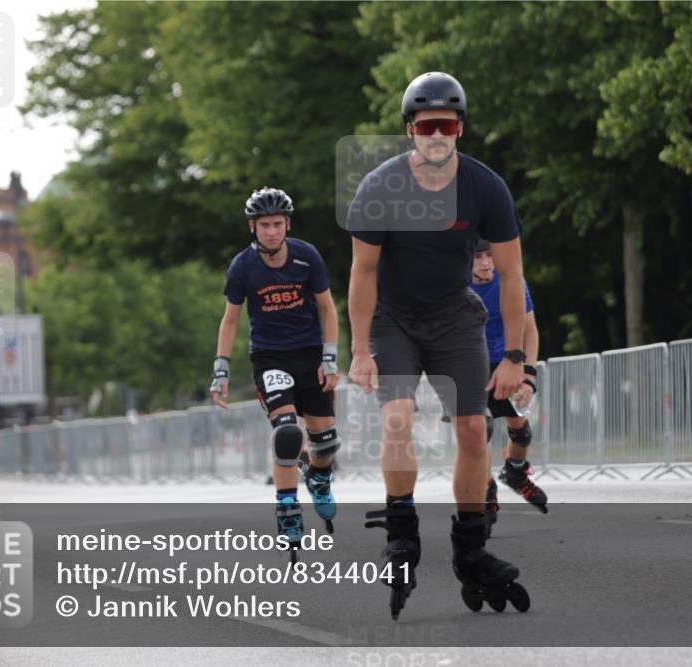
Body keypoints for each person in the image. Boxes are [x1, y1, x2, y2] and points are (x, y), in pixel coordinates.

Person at [348, 72, 530, 618]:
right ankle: (402, 531)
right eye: (427, 125)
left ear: (460, 130)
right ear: (410, 130)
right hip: (393, 319)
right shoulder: (379, 187)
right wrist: (359, 349)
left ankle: (470, 550)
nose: (437, 135)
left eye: (446, 125)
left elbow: (512, 272)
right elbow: (361, 274)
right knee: (399, 416)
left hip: (454, 316)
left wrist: (515, 355)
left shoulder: (485, 187)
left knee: (475, 429)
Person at [211, 187, 342, 558]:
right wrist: (221, 369)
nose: (271, 231)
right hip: (269, 358)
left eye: (277, 224)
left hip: (310, 356)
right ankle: (287, 506)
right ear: (253, 228)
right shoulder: (242, 267)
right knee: (286, 432)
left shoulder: (306, 257)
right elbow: (231, 319)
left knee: (326, 443)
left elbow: (328, 309)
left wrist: (329, 359)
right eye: (264, 225)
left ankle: (317, 476)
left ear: (288, 224)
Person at [471, 238, 548, 516]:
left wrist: (528, 376)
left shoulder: (510, 279)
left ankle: (515, 473)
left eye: (489, 255)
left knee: (522, 432)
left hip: (508, 363)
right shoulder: (455, 285)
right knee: (481, 431)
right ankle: (486, 487)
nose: (485, 263)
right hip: (470, 365)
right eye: (478, 257)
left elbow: (531, 330)